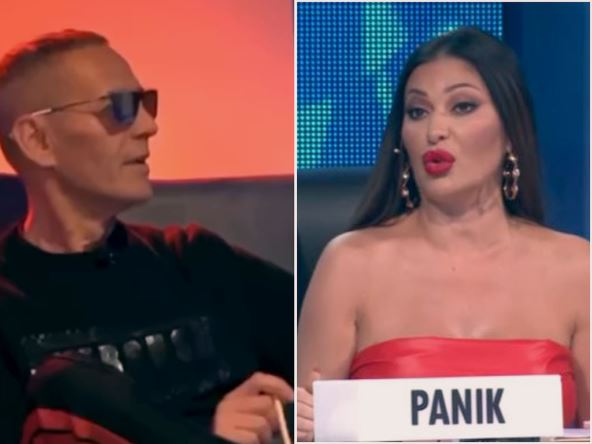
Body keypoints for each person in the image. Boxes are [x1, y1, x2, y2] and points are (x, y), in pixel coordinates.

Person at [0, 30, 293, 444]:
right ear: (38, 140)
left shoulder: (196, 259)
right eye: (119, 108)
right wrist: (206, 435)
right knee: (65, 386)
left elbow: (342, 347)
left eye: (145, 103)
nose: (149, 126)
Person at [297, 27, 589, 441]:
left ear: (510, 130)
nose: (435, 129)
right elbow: (302, 428)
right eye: (417, 112)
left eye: (462, 106)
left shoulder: (577, 269)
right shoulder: (349, 265)